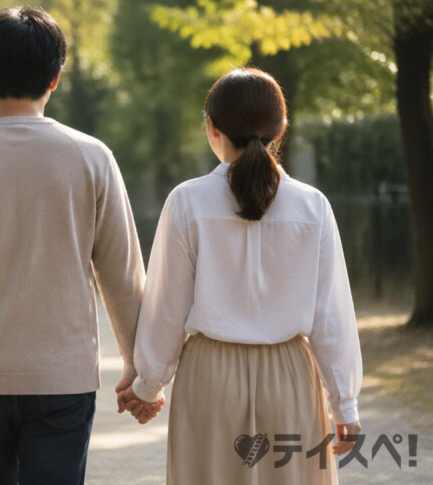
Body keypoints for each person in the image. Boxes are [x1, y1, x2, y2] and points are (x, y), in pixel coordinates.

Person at [0, 5, 153, 485]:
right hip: (63, 379)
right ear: (56, 77)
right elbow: (122, 275)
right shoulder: (92, 157)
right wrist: (138, 369)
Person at [117, 67, 363, 484]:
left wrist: (147, 386)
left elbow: (167, 308)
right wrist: (345, 406)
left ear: (212, 127)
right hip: (289, 377)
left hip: (209, 377)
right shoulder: (313, 207)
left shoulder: (186, 202)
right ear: (280, 129)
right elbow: (330, 316)